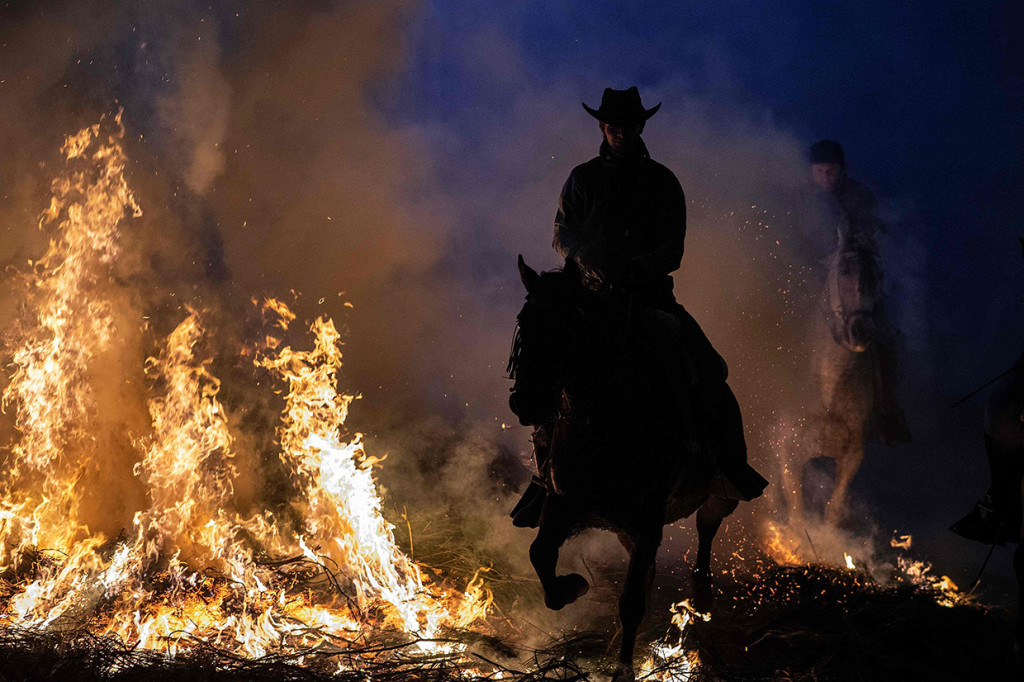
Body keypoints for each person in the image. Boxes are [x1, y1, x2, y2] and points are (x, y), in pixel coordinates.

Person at [511, 86, 767, 528]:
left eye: (629, 126)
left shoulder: (662, 182)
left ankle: (723, 465)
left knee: (707, 368)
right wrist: (590, 261)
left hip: (647, 299)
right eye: (615, 126)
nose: (622, 132)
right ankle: (545, 473)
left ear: (641, 127)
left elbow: (673, 249)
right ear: (602, 127)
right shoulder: (582, 178)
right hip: (589, 297)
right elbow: (562, 233)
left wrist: (635, 270)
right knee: (550, 361)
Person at [808, 140, 912, 445]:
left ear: (841, 171)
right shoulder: (803, 200)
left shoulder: (858, 196)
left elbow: (870, 236)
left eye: (831, 171)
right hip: (811, 278)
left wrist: (854, 246)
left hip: (854, 280)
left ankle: (888, 410)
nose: (826, 177)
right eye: (820, 172)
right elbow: (793, 238)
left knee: (884, 337)